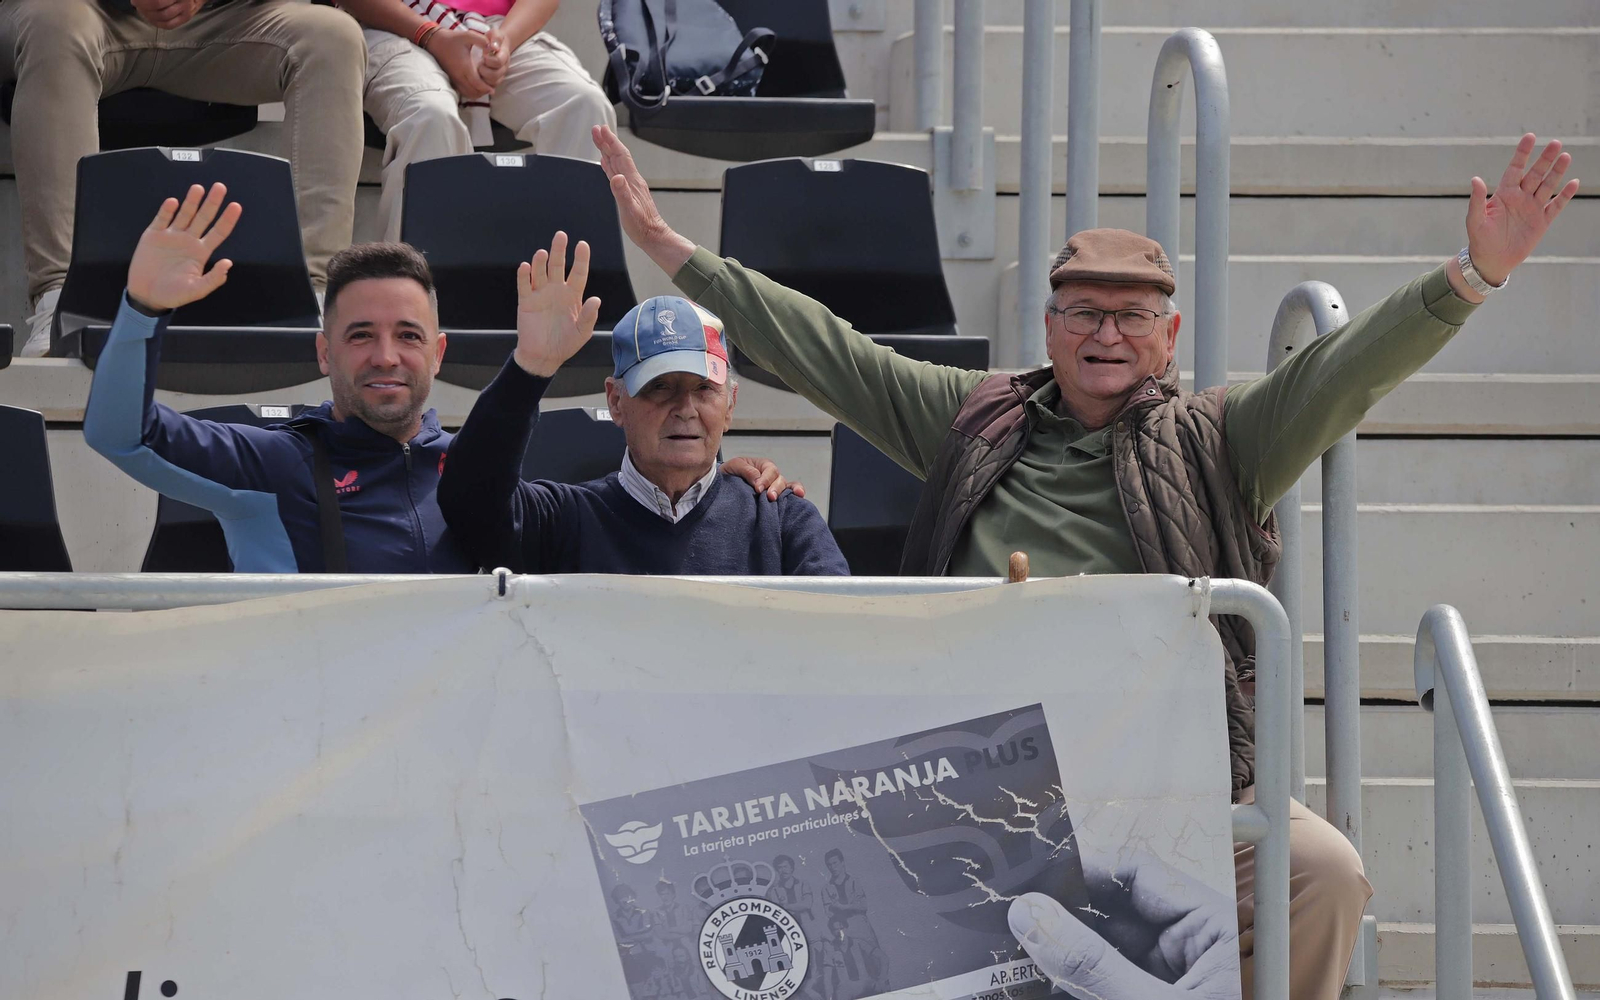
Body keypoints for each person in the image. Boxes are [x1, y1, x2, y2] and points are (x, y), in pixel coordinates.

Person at [592, 122, 1580, 999]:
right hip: (976, 784)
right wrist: (676, 253)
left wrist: (1469, 278)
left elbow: (1344, 369)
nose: (1106, 333)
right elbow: (827, 351)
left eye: (1132, 315)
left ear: (1170, 334)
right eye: (1083, 313)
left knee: (1316, 872)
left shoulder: (1221, 437)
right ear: (1050, 325)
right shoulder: (972, 419)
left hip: (1174, 782)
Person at [82, 183, 798, 573]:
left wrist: (724, 475)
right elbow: (121, 435)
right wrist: (142, 308)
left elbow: (633, 494)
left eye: (407, 336)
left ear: (440, 351)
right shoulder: (271, 462)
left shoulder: (481, 470)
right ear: (325, 352)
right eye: (361, 336)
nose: (386, 356)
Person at [435, 232, 848, 576]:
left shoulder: (783, 521)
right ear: (617, 401)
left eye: (704, 388)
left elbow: (843, 638)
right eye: (660, 387)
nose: (685, 407)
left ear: (730, 403)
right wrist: (530, 368)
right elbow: (468, 500)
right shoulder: (566, 520)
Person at [0, 0, 366, 357]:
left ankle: (311, 297)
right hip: (81, 14)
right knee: (54, 22)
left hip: (222, 18)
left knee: (333, 37)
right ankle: (62, 298)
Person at [336, 0, 614, 241]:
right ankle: (416, 293)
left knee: (584, 106)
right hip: (391, 24)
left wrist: (503, 42)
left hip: (497, 28)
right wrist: (430, 35)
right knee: (431, 115)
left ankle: (571, 289)